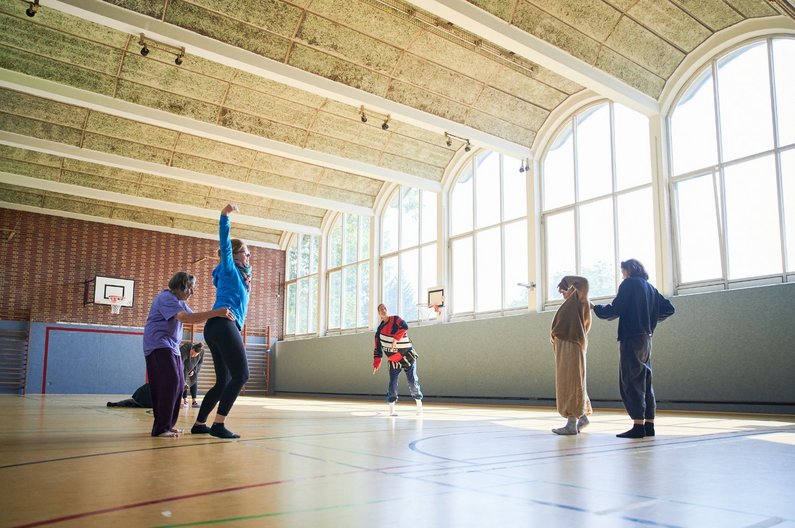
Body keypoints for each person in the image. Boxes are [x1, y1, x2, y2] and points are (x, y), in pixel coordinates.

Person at [143, 271, 235, 438]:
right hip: (158, 345)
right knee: (169, 383)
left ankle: (168, 426)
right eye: (190, 289)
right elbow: (186, 318)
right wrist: (215, 313)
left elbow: (194, 316)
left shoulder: (179, 301)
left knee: (179, 385)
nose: (192, 293)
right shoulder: (167, 298)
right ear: (180, 286)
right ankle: (161, 428)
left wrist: (218, 314)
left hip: (172, 347)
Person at [592, 259, 675, 439]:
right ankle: (649, 425)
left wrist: (595, 308)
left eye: (623, 271)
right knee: (646, 380)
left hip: (631, 337)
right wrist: (649, 318)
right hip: (647, 338)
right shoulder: (650, 288)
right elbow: (669, 309)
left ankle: (637, 426)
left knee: (631, 380)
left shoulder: (629, 284)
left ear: (629, 270)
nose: (622, 275)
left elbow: (616, 309)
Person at [191, 204, 251, 439]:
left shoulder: (242, 276)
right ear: (234, 255)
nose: (248, 256)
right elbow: (225, 245)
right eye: (245, 252)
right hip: (223, 325)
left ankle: (199, 424)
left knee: (223, 380)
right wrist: (224, 217)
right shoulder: (229, 269)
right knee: (242, 375)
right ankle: (218, 424)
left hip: (217, 327)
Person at [550, 276, 592, 435]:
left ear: (574, 288)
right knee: (572, 380)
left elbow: (584, 282)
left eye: (564, 289)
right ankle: (581, 417)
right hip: (566, 344)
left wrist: (565, 281)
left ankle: (572, 422)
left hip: (571, 344)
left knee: (571, 380)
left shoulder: (579, 298)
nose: (561, 292)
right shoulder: (572, 302)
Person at [372, 303, 422, 416]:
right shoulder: (378, 332)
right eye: (381, 309)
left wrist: (395, 339)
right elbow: (377, 349)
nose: (383, 310)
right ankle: (392, 409)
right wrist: (376, 363)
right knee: (392, 383)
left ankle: (419, 406)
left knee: (412, 381)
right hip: (394, 360)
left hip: (407, 356)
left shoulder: (396, 319)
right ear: (378, 313)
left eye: (385, 308)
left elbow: (404, 326)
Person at [180, 342, 204, 408]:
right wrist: (182, 375)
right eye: (192, 353)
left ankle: (194, 401)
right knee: (183, 381)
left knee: (194, 379)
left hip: (193, 366)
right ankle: (183, 399)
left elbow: (199, 363)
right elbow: (180, 363)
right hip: (183, 365)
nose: (193, 355)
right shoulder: (184, 348)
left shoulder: (202, 352)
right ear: (191, 349)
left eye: (195, 355)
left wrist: (194, 371)